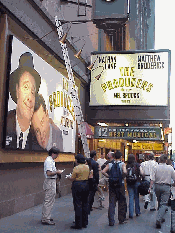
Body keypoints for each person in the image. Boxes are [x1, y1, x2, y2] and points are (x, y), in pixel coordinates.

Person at [6, 52, 41, 150]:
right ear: (17, 90)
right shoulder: (4, 122)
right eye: (25, 87)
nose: (30, 97)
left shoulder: (40, 135)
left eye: (33, 91)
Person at [102, 150, 127, 226]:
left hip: (112, 185)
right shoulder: (122, 164)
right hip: (120, 185)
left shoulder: (109, 164)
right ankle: (121, 219)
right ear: (121, 157)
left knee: (112, 203)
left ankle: (111, 220)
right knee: (121, 202)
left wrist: (109, 177)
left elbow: (103, 171)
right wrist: (121, 177)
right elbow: (125, 172)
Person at [150, 154, 175, 229]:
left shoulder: (155, 167)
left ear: (159, 160)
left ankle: (161, 218)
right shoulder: (170, 168)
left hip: (157, 186)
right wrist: (172, 184)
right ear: (166, 160)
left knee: (159, 202)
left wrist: (150, 187)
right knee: (164, 203)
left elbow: (152, 179)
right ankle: (158, 219)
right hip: (166, 186)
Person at [41, 147, 63, 225]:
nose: (57, 156)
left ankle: (46, 216)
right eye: (57, 154)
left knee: (50, 200)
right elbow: (49, 173)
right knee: (48, 200)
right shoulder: (49, 161)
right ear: (53, 154)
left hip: (51, 181)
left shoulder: (50, 160)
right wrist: (57, 172)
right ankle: (46, 218)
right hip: (50, 181)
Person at [67, 154, 89, 229]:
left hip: (77, 185)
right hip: (86, 184)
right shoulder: (87, 167)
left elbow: (72, 178)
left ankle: (78, 224)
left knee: (78, 204)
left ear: (77, 160)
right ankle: (84, 222)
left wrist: (68, 178)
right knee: (85, 204)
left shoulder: (76, 168)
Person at [126, 154, 144, 219]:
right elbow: (142, 173)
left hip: (129, 183)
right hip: (137, 182)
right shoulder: (137, 165)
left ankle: (130, 214)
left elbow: (125, 173)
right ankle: (137, 212)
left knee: (130, 197)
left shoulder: (127, 165)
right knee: (136, 197)